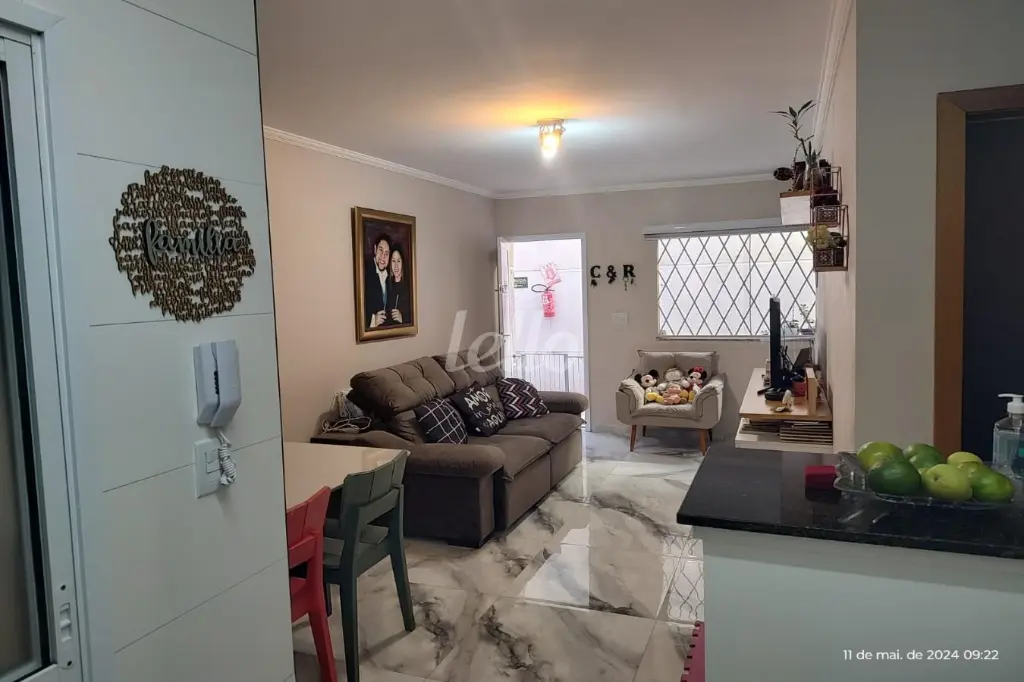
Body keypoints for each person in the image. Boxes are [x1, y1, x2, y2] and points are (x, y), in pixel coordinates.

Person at [364, 234, 390, 329]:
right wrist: (373, 321)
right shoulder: (364, 271)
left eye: (386, 253)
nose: (383, 256)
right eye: (380, 250)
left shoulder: (390, 277)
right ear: (375, 249)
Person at [386, 245, 412, 325]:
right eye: (393, 261)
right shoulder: (386, 284)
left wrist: (402, 318)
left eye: (398, 261)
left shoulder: (410, 286)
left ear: (403, 263)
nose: (396, 265)